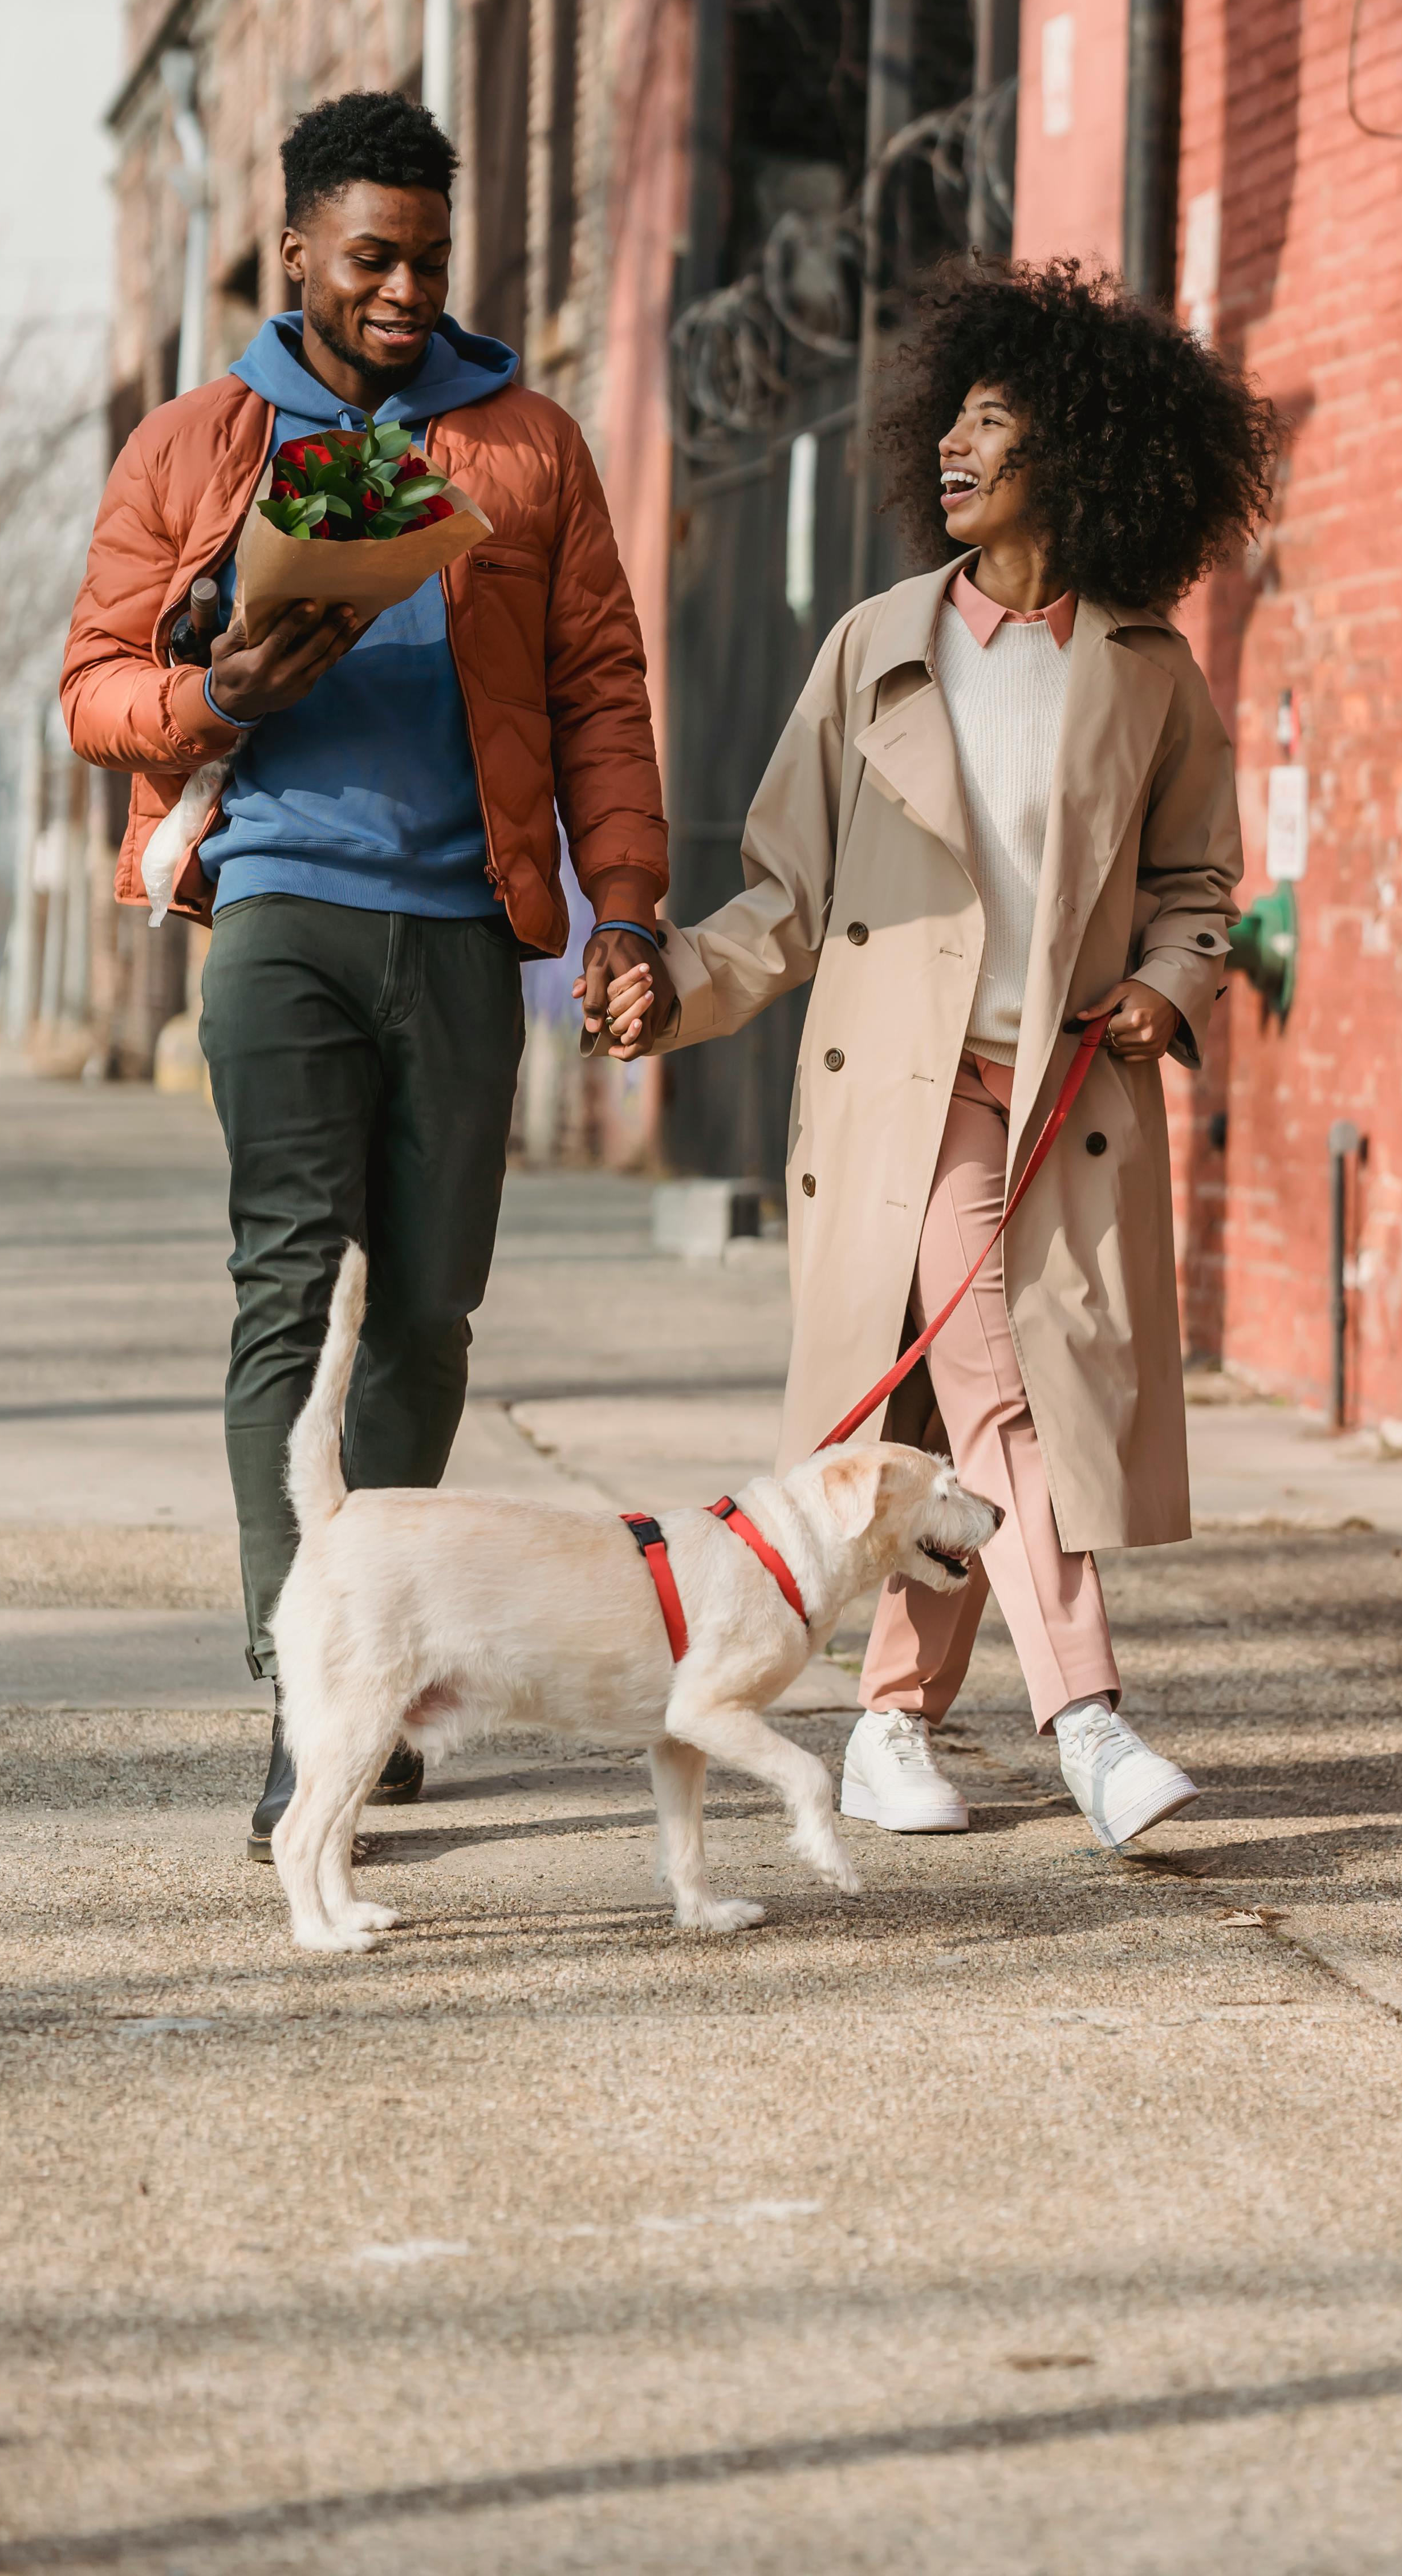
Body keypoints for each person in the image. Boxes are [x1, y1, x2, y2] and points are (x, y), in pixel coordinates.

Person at [62, 90, 673, 1853]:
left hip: (468, 935)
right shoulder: (198, 444)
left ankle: (383, 1659)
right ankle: (307, 1689)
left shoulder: (527, 443)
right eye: (372, 258)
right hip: (278, 918)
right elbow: (94, 687)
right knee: (283, 1295)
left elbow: (603, 696)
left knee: (422, 1311)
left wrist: (621, 902)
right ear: (299, 257)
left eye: (429, 257)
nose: (405, 289)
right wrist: (213, 697)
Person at [652, 257, 1279, 1848]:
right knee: (1005, 1387)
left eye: (988, 426)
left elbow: (1204, 880)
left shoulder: (1144, 671)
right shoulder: (874, 647)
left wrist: (1169, 981)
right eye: (948, 424)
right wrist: (674, 988)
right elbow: (785, 895)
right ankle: (1089, 1713)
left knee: (937, 1411)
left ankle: (887, 1725)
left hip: (1061, 1097)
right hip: (900, 1099)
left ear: (1072, 455)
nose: (950, 451)